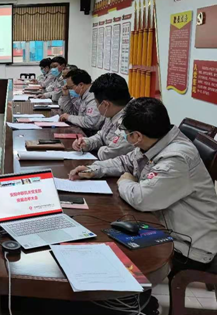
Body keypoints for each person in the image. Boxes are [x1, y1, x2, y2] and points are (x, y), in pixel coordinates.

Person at [70, 98, 217, 276]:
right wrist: (94, 169)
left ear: (137, 136)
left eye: (125, 132)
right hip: (160, 223)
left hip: (187, 246)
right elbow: (126, 161)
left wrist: (125, 181)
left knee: (106, 254)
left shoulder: (176, 158)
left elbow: (142, 199)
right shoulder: (156, 140)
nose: (124, 135)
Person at [72, 73, 133, 160]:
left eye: (97, 103)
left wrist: (99, 149)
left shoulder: (131, 120)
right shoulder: (113, 111)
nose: (96, 106)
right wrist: (87, 142)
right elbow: (102, 136)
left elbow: (109, 154)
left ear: (105, 104)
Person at [59, 69, 104, 133]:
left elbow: (91, 122)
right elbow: (71, 112)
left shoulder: (93, 97)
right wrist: (66, 96)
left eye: (70, 87)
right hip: (83, 131)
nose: (70, 90)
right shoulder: (82, 95)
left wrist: (69, 117)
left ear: (81, 85)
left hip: (91, 134)